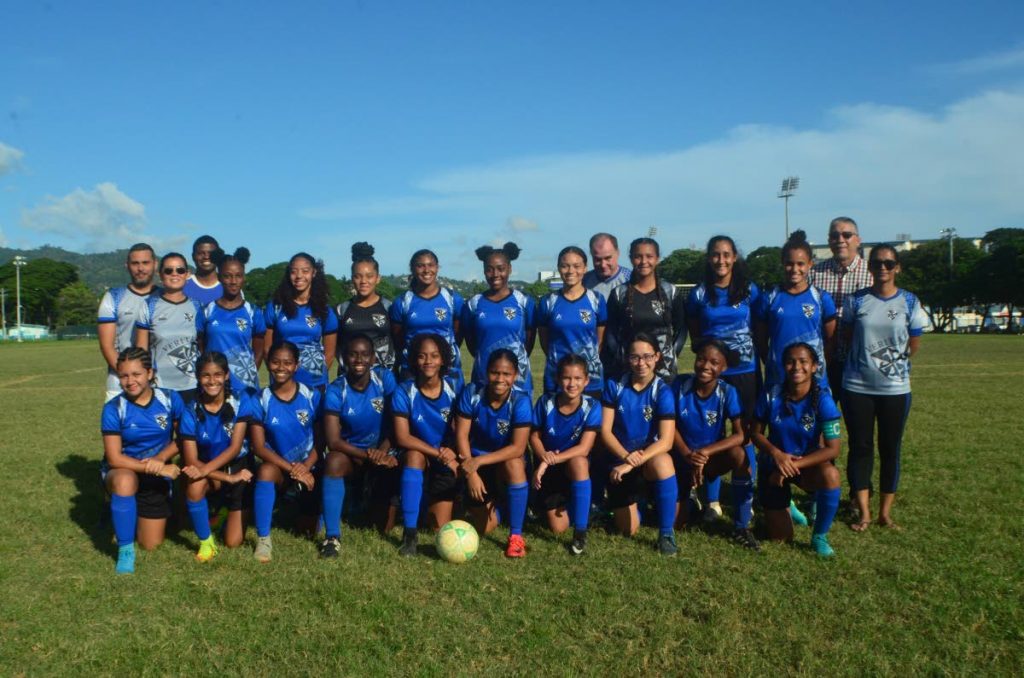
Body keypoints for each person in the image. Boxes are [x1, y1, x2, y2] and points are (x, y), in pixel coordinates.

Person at [841, 245, 926, 531]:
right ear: (870, 266)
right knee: (860, 447)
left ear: (898, 267)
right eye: (877, 263)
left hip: (895, 389)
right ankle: (864, 511)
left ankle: (885, 513)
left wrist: (890, 366)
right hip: (857, 386)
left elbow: (913, 345)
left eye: (889, 263)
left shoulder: (911, 302)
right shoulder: (857, 301)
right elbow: (849, 338)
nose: (883, 268)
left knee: (891, 448)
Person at [685, 235, 760, 521]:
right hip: (713, 374)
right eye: (716, 254)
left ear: (735, 257)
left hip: (744, 372)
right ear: (709, 258)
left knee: (747, 435)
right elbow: (694, 329)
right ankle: (712, 502)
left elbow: (759, 328)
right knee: (711, 433)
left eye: (726, 254)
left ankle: (746, 498)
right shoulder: (700, 293)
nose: (721, 260)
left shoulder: (749, 291)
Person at [751, 343, 843, 557]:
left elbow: (832, 450)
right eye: (791, 361)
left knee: (831, 474)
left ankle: (819, 536)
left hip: (805, 466)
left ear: (814, 367)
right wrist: (777, 455)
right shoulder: (770, 395)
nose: (796, 367)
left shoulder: (823, 400)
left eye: (803, 362)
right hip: (772, 467)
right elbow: (755, 434)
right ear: (784, 365)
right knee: (781, 538)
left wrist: (791, 465)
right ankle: (787, 505)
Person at [101, 347, 184, 574]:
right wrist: (154, 468)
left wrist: (161, 458)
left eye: (136, 374)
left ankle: (125, 515)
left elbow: (183, 439)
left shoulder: (169, 399)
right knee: (125, 482)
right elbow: (114, 457)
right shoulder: (113, 408)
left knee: (151, 545)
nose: (130, 381)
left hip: (157, 471)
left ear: (150, 373)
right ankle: (126, 551)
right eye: (124, 375)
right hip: (124, 470)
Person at [671, 339, 759, 550]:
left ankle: (741, 525)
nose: (706, 366)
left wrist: (705, 452)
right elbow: (668, 426)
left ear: (724, 367)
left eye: (714, 362)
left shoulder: (727, 392)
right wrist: (687, 454)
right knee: (678, 522)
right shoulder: (679, 385)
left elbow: (740, 435)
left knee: (739, 454)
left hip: (710, 460)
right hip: (681, 458)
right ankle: (691, 501)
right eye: (701, 359)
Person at [600, 333, 680, 555]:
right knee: (628, 529)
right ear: (627, 358)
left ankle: (666, 534)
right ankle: (642, 505)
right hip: (620, 461)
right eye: (635, 357)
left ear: (657, 357)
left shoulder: (662, 391)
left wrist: (632, 463)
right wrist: (625, 458)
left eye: (647, 357)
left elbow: (666, 441)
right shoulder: (614, 385)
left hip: (646, 462)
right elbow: (605, 432)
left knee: (664, 461)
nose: (641, 363)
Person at [320, 334, 399, 557]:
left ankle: (366, 496)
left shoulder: (385, 379)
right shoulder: (336, 390)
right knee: (333, 461)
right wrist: (368, 455)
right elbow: (333, 441)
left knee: (382, 526)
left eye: (365, 354)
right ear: (344, 358)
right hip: (352, 455)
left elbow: (398, 423)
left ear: (373, 358)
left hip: (384, 452)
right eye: (353, 354)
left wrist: (382, 452)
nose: (359, 360)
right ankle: (332, 537)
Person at [453, 349, 533, 557]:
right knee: (486, 527)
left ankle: (516, 537)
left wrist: (477, 462)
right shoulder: (472, 393)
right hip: (474, 463)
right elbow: (461, 436)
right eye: (495, 373)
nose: (500, 379)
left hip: (502, 462)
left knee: (515, 463)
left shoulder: (521, 401)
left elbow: (518, 447)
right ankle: (505, 508)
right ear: (486, 372)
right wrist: (471, 474)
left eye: (507, 374)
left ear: (515, 376)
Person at [391, 333, 465, 556]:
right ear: (414, 359)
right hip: (420, 457)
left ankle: (421, 507)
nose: (428, 361)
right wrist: (438, 454)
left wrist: (453, 452)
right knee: (414, 455)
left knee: (438, 526)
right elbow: (403, 438)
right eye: (422, 356)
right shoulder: (404, 391)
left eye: (434, 356)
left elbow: (463, 431)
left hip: (445, 462)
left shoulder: (455, 388)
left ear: (443, 359)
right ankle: (410, 535)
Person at [180, 351, 257, 562]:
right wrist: (224, 478)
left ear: (226, 375)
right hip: (210, 468)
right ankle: (207, 543)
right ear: (197, 377)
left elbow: (234, 448)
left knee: (233, 542)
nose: (212, 381)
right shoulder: (190, 410)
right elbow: (191, 460)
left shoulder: (241, 402)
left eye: (217, 374)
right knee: (194, 484)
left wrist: (230, 476)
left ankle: (224, 510)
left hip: (238, 465)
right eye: (205, 375)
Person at [249, 341, 321, 563]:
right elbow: (259, 447)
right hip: (281, 468)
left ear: (296, 366)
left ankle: (309, 509)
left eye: (287, 363)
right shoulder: (260, 398)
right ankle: (263, 539)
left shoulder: (312, 395)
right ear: (268, 364)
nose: (281, 367)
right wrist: (293, 469)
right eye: (276, 362)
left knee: (307, 531)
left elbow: (323, 440)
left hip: (309, 468)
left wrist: (306, 468)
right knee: (265, 472)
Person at [530, 354, 601, 555]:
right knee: (558, 528)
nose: (572, 384)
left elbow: (584, 448)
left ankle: (580, 532)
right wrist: (544, 456)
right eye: (567, 378)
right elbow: (534, 437)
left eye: (578, 379)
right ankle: (572, 504)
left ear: (586, 381)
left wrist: (550, 461)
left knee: (579, 462)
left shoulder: (592, 406)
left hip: (571, 465)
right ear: (558, 379)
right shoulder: (546, 402)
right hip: (548, 470)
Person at [755, 230, 837, 389]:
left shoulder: (821, 298)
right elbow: (761, 340)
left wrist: (816, 365)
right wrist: (773, 363)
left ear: (810, 264)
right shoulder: (769, 298)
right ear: (782, 262)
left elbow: (831, 340)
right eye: (789, 263)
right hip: (779, 377)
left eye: (800, 264)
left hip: (813, 378)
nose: (794, 269)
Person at [606, 237, 687, 382]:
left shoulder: (670, 291)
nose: (644, 261)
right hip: (630, 368)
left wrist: (670, 354)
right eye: (638, 256)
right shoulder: (619, 293)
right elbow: (611, 332)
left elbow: (681, 329)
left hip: (664, 368)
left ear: (657, 258)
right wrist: (622, 356)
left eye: (649, 256)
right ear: (631, 259)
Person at [809, 217, 872, 400]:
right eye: (835, 235)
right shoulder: (814, 275)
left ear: (858, 240)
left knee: (858, 421)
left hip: (857, 361)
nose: (840, 240)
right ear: (829, 240)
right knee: (820, 418)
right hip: (823, 360)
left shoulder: (872, 274)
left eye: (847, 235)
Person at [461, 242, 536, 394]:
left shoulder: (524, 302)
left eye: (501, 269)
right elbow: (471, 342)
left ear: (510, 269)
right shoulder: (473, 304)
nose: (495, 274)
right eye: (489, 269)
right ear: (484, 271)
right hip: (484, 376)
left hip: (518, 379)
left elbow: (529, 340)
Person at [537, 245, 607, 397]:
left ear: (585, 268)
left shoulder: (596, 300)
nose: (570, 271)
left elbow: (600, 341)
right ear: (558, 268)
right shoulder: (547, 302)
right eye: (565, 266)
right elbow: (544, 341)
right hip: (557, 376)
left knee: (591, 420)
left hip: (591, 377)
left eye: (576, 266)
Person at [263, 252, 339, 391]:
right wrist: (278, 374)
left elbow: (329, 353)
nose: (299, 276)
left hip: (315, 385)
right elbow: (267, 348)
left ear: (313, 273)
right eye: (294, 272)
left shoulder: (324, 310)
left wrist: (315, 374)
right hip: (282, 382)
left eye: (305, 271)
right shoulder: (275, 307)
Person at [135, 252, 205, 394]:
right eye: (168, 270)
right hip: (160, 387)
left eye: (180, 270)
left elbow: (204, 347)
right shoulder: (148, 306)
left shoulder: (198, 306)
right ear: (160, 275)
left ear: (187, 274)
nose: (175, 274)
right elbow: (141, 352)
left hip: (193, 387)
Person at [97, 243, 159, 402]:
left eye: (145, 263)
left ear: (155, 264)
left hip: (159, 383)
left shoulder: (165, 296)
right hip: (121, 384)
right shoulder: (113, 297)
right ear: (127, 266)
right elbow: (107, 346)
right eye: (135, 263)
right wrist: (129, 377)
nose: (140, 268)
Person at [390, 249, 464, 381]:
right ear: (412, 269)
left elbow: (458, 333)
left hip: (447, 368)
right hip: (413, 369)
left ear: (437, 267)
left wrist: (444, 353)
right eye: (420, 266)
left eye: (430, 265)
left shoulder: (453, 299)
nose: (426, 270)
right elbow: (398, 339)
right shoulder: (402, 302)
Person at [202, 247, 265, 394]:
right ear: (219, 277)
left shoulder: (253, 312)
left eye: (238, 276)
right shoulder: (207, 310)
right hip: (215, 385)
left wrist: (247, 375)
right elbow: (201, 345)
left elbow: (259, 349)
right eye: (227, 276)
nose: (233, 281)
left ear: (244, 277)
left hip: (244, 386)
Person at [336, 242, 395, 372]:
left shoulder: (390, 307)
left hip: (384, 379)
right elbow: (336, 345)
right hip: (351, 379)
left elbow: (399, 341)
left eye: (369, 276)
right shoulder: (341, 309)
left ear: (378, 278)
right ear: (352, 279)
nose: (363, 281)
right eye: (358, 276)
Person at [583, 232, 631, 301]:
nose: (603, 265)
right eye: (598, 259)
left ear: (618, 253)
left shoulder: (630, 279)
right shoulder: (584, 281)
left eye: (608, 258)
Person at [183, 235, 224, 305]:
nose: (206, 257)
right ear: (193, 256)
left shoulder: (229, 286)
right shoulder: (182, 286)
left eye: (211, 253)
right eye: (201, 253)